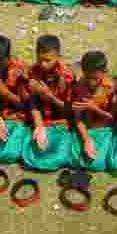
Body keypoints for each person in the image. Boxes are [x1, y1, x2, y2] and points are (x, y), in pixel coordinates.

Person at [21, 34, 76, 171]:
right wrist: (39, 127)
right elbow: (33, 103)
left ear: (58, 57)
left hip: (61, 123)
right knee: (30, 152)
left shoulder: (67, 77)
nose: (43, 64)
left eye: (47, 60)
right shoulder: (33, 72)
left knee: (58, 156)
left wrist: (49, 96)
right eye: (39, 59)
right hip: (42, 121)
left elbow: (70, 111)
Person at [71, 50, 116, 171]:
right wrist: (86, 139)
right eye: (88, 78)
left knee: (97, 163)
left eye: (95, 78)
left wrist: (94, 108)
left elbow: (114, 119)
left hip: (104, 130)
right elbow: (77, 119)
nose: (91, 82)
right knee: (75, 158)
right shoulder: (79, 87)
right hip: (85, 130)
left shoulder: (110, 88)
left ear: (104, 72)